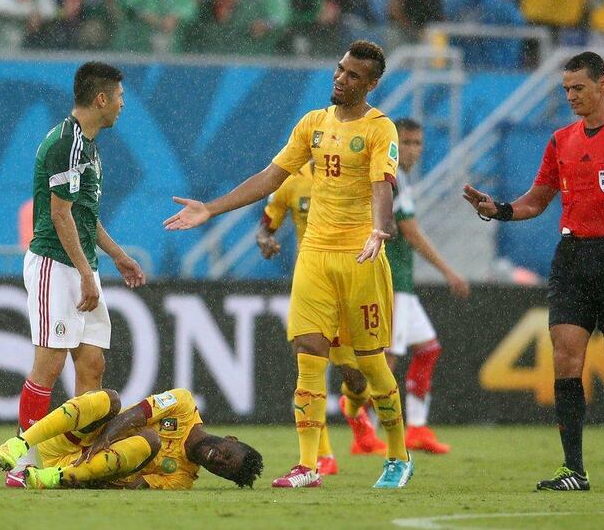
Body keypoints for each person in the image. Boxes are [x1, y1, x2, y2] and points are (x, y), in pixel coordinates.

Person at [165, 40, 413, 489]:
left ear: (372, 83)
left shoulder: (382, 130)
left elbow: (382, 185)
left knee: (371, 364)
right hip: (314, 256)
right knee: (309, 357)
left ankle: (397, 456)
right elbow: (270, 177)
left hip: (361, 255)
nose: (340, 78)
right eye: (339, 69)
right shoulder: (313, 124)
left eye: (353, 75)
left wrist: (381, 228)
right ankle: (308, 465)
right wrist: (211, 209)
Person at [463, 51, 604, 492]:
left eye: (578, 88)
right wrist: (496, 209)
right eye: (566, 90)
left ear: (603, 85)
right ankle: (574, 469)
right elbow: (535, 202)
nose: (571, 96)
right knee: (565, 357)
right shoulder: (560, 140)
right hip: (572, 258)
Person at [8, 61, 147, 488]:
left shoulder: (88, 147)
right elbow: (60, 214)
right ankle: (21, 463)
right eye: (120, 96)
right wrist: (87, 274)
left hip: (81, 264)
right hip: (57, 264)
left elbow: (86, 217)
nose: (124, 104)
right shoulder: (66, 142)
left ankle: (82, 460)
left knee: (92, 363)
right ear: (101, 99)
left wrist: (119, 256)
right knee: (47, 368)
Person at [257, 161, 388, 476]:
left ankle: (353, 407)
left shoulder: (355, 177)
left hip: (351, 284)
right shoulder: (292, 182)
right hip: (313, 286)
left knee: (355, 379)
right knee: (309, 363)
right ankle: (322, 456)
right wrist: (264, 239)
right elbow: (267, 224)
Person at [386, 118, 469, 454]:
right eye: (406, 142)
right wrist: (449, 271)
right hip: (390, 279)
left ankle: (416, 428)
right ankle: (367, 430)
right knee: (387, 360)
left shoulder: (400, 179)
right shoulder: (390, 179)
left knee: (427, 349)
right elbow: (411, 232)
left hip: (402, 280)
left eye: (417, 143)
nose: (413, 150)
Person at [0, 388, 263, 489]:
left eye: (223, 470)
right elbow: (135, 413)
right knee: (110, 400)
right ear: (231, 438)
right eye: (228, 454)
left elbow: (132, 485)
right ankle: (20, 443)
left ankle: (52, 478)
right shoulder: (183, 403)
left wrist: (93, 474)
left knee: (148, 441)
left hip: (81, 469)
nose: (218, 460)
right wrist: (104, 439)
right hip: (72, 440)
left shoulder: (181, 478)